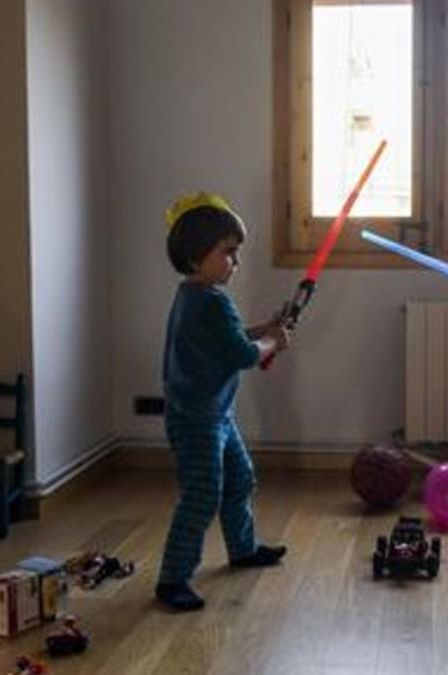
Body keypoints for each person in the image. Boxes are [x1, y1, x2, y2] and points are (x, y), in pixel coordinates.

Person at [155, 192, 292, 611]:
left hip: (213, 414)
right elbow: (242, 355)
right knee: (202, 495)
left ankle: (243, 547)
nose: (235, 262)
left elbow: (227, 341)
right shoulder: (212, 303)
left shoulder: (194, 296)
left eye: (236, 253)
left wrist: (263, 329)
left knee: (240, 479)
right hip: (198, 419)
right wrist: (273, 340)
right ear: (197, 257)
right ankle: (172, 579)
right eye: (228, 253)